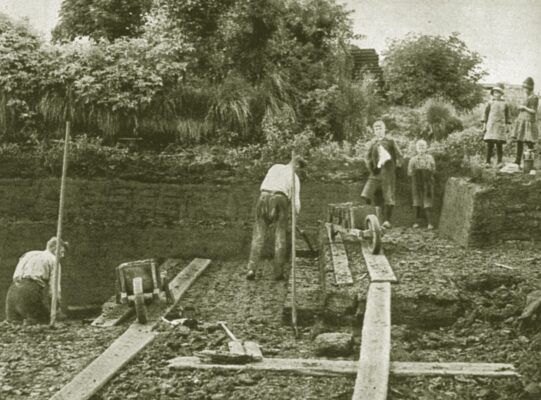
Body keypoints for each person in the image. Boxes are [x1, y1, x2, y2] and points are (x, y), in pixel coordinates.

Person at [246, 155, 305, 281]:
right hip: (279, 200)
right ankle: (278, 272)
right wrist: (296, 216)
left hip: (263, 197)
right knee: (280, 235)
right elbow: (296, 202)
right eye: (299, 169)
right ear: (297, 166)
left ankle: (251, 269)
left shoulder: (275, 167)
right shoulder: (294, 178)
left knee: (258, 235)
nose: (298, 172)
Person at [5, 237, 68, 324]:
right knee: (42, 322)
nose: (63, 256)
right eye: (62, 252)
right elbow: (54, 289)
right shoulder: (54, 261)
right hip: (29, 292)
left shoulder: (29, 254)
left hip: (12, 291)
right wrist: (56, 308)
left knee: (13, 324)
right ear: (55, 249)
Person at [361, 120, 403, 229]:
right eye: (376, 129)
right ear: (374, 131)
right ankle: (374, 220)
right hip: (375, 174)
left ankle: (387, 221)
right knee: (366, 194)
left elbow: (399, 155)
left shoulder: (390, 141)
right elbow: (367, 157)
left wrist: (397, 166)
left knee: (388, 197)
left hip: (388, 173)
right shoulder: (372, 143)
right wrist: (371, 168)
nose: (378, 131)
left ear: (384, 130)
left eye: (380, 128)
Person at [408, 139, 436, 229]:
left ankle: (430, 223)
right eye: (419, 147)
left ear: (426, 148)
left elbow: (434, 170)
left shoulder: (430, 158)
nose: (421, 148)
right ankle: (415, 222)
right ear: (416, 148)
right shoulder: (413, 159)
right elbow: (409, 172)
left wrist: (428, 171)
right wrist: (415, 172)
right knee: (416, 201)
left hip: (427, 182)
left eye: (423, 146)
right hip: (416, 182)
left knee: (428, 201)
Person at [483, 83, 511, 168]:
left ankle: (499, 162)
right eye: (495, 93)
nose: (496, 94)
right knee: (490, 144)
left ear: (501, 94)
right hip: (491, 125)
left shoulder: (505, 104)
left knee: (499, 144)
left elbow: (507, 117)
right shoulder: (490, 103)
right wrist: (484, 125)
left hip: (500, 126)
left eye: (498, 93)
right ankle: (487, 162)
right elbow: (485, 115)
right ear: (493, 94)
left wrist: (507, 126)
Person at [512, 77, 539, 166]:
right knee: (519, 141)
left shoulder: (534, 97)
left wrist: (524, 108)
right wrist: (520, 107)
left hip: (529, 122)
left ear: (530, 88)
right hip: (521, 120)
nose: (524, 90)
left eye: (526, 88)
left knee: (529, 142)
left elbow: (534, 111)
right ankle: (517, 161)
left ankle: (530, 163)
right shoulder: (525, 96)